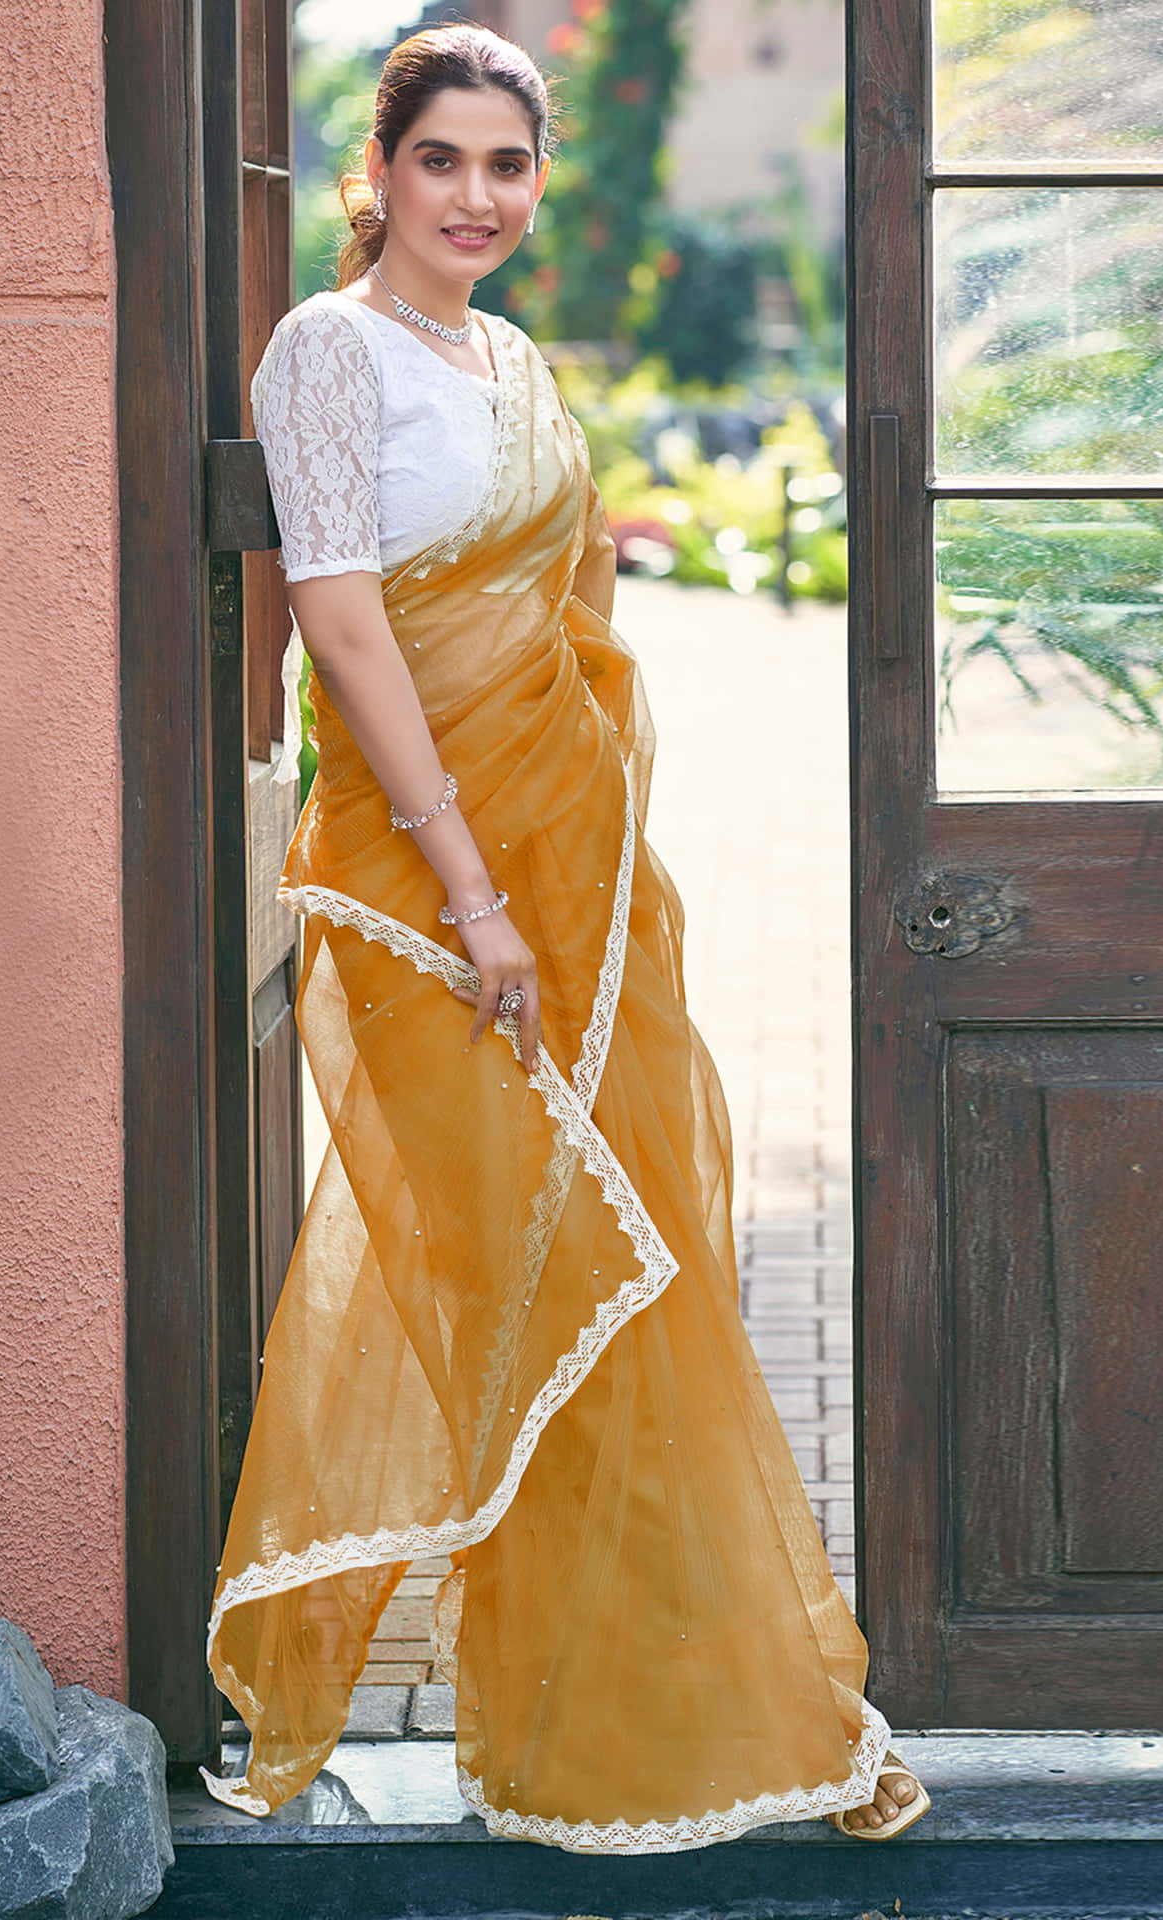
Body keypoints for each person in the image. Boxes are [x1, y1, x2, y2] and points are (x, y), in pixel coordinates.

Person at [198, 22, 930, 1854]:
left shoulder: (508, 355)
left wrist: (560, 856)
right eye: (440, 161)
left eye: (507, 166)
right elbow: (346, 622)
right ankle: (591, 1718)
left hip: (571, 879)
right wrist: (469, 884)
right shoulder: (328, 351)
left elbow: (570, 600)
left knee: (632, 1270)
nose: (476, 198)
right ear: (376, 174)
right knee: (522, 1284)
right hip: (426, 890)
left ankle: (668, 1715)